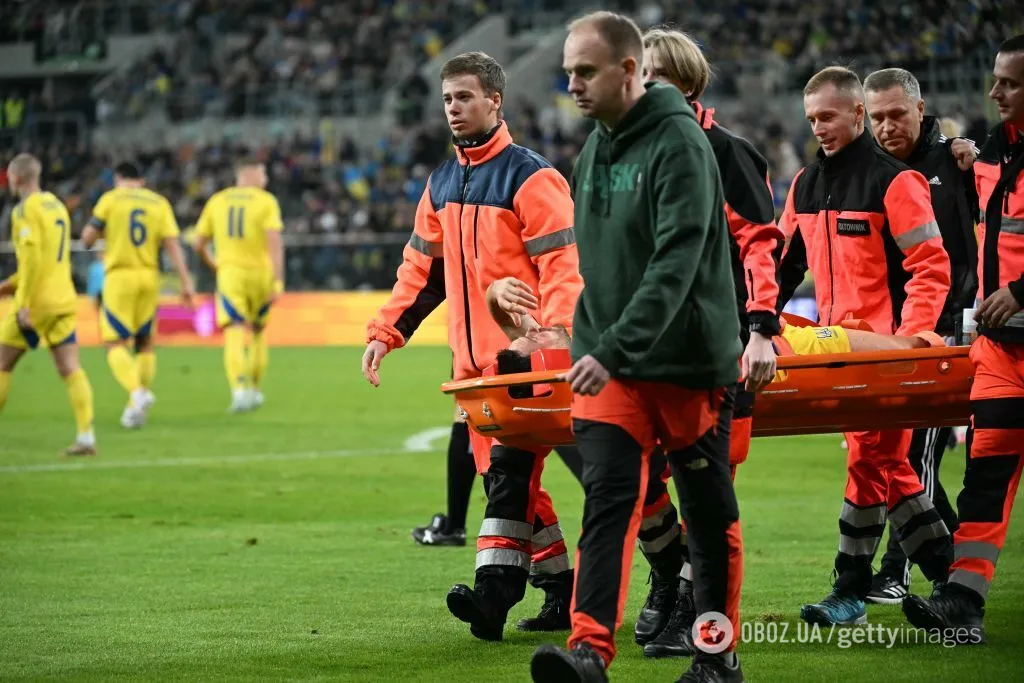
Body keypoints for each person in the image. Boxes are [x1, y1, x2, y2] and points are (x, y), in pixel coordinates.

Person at [530, 12, 745, 683]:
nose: (572, 84)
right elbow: (597, 263)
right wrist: (579, 337)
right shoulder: (596, 146)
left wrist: (614, 345)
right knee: (607, 500)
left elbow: (675, 262)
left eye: (586, 71)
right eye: (568, 71)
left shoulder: (681, 145)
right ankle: (589, 652)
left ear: (631, 70)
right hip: (610, 364)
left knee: (708, 518)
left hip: (685, 361)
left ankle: (716, 657)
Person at [361, 52, 583, 639]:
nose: (453, 108)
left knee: (517, 481)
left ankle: (496, 596)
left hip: (528, 358)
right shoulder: (440, 183)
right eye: (447, 99)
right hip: (475, 369)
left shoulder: (532, 178)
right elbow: (422, 274)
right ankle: (563, 590)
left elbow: (564, 265)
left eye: (464, 97)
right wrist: (386, 333)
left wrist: (551, 333)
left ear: (494, 101)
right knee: (510, 484)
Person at [776, 66, 954, 627]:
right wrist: (757, 319)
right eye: (811, 119)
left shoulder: (896, 182)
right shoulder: (805, 184)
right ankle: (955, 577)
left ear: (857, 114)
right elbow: (782, 264)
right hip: (836, 352)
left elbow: (931, 266)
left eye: (827, 116)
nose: (819, 127)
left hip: (883, 352)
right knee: (886, 464)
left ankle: (854, 588)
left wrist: (911, 340)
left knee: (871, 461)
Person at [633, 27, 784, 658]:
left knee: (706, 490)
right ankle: (671, 576)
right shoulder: (628, 153)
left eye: (657, 77)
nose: (644, 87)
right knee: (632, 478)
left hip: (717, 350)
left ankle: (702, 617)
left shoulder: (728, 153)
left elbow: (760, 247)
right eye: (639, 76)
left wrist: (761, 329)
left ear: (688, 83)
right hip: (645, 352)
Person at [902, 33, 1024, 645]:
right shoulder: (989, 155)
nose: (994, 91)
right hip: (1003, 350)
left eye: (1010, 82)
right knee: (985, 477)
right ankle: (961, 604)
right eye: (997, 79)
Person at [862, 67, 980, 604]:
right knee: (900, 456)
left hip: (947, 328)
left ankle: (902, 570)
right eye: (876, 117)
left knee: (914, 457)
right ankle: (944, 561)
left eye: (895, 114)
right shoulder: (873, 169)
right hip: (892, 335)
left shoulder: (954, 163)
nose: (886, 126)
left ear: (920, 108)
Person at [81, 161, 195, 428]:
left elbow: (87, 238)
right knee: (144, 343)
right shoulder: (159, 203)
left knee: (114, 343)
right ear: (141, 180)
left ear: (117, 178)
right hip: (148, 276)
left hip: (120, 276)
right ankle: (135, 410)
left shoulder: (110, 200)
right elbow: (172, 245)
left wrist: (105, 235)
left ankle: (137, 392)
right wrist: (186, 282)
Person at [0, 153, 96, 456]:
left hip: (37, 303)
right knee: (70, 367)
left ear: (15, 179)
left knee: (2, 363)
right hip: (64, 298)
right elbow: (51, 258)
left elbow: (31, 259)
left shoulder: (24, 210)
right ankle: (86, 437)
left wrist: (23, 302)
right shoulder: (56, 206)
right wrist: (9, 284)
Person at [193, 156, 284, 413]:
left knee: (233, 330)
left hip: (231, 274)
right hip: (261, 274)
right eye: (263, 173)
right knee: (257, 331)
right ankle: (254, 390)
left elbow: (198, 244)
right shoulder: (266, 202)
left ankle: (239, 390)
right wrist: (277, 281)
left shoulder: (218, 201)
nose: (265, 179)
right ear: (251, 173)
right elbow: (274, 243)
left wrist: (214, 264)